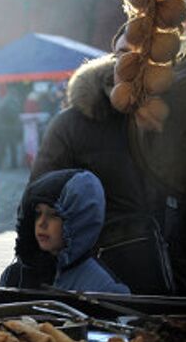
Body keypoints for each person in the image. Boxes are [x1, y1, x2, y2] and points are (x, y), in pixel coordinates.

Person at [31, 43, 175, 295]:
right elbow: (41, 193)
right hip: (100, 263)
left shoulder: (162, 117)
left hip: (152, 259)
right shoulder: (72, 124)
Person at [0, 169, 130, 294]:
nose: (41, 223)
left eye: (54, 215)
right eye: (37, 213)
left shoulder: (104, 288)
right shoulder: (15, 276)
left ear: (79, 221)